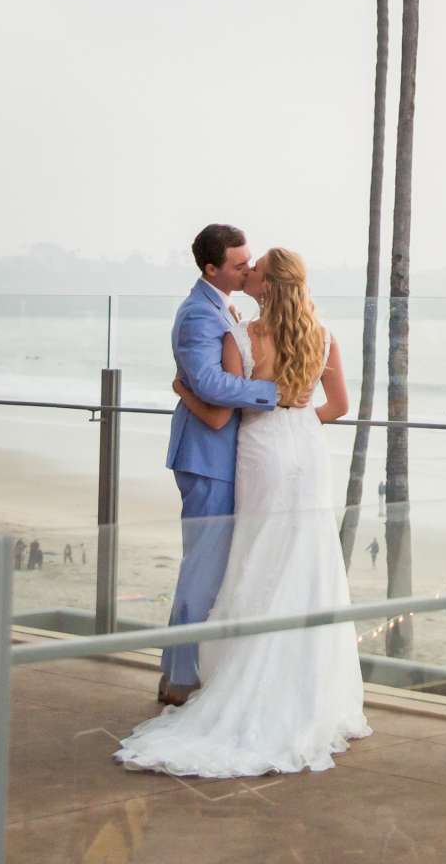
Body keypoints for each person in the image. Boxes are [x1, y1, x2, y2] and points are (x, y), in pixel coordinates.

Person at [118, 245, 366, 778]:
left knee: (255, 556)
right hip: (306, 450)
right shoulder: (324, 337)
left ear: (269, 287)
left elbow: (216, 412)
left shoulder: (247, 336)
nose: (247, 273)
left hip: (263, 452)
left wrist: (184, 390)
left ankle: (226, 680)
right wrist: (299, 420)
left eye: (254, 271)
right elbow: (341, 406)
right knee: (307, 561)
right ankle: (309, 692)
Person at [142, 225, 284, 708]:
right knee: (201, 572)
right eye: (239, 264)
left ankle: (174, 673)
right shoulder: (198, 315)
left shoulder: (223, 307)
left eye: (249, 262)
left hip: (222, 454)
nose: (247, 269)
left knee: (206, 568)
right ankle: (181, 681)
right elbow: (208, 383)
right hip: (206, 456)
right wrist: (276, 396)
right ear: (211, 269)